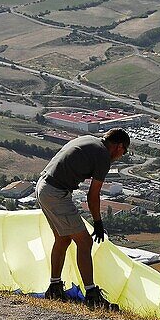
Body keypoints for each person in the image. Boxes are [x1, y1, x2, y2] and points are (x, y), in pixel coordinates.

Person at [35, 128, 130, 309]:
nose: (121, 156)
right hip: (56, 193)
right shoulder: (103, 156)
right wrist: (98, 223)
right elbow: (93, 196)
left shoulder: (89, 140)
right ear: (119, 147)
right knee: (85, 243)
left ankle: (55, 287)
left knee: (62, 240)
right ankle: (92, 295)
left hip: (43, 186)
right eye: (123, 152)